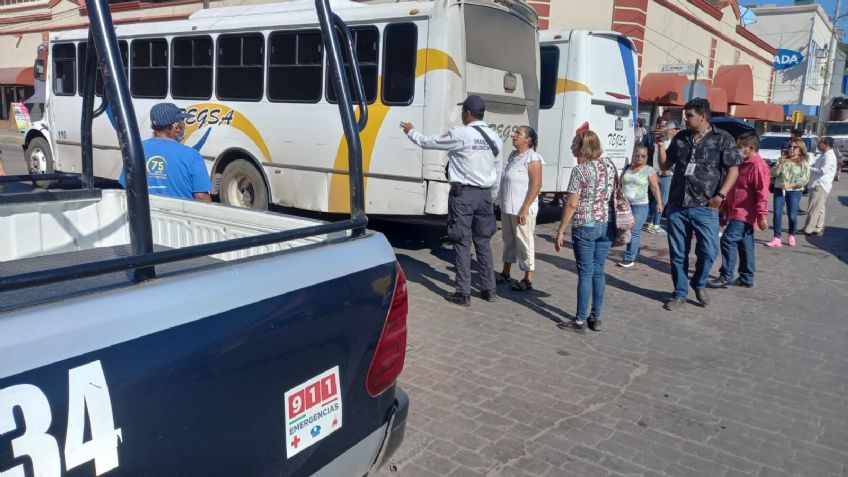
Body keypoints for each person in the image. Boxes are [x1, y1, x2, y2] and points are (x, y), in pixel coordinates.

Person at [401, 95, 503, 306]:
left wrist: (411, 132)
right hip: (485, 196)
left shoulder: (461, 134)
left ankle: (463, 292)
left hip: (463, 196)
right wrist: (492, 197)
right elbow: (498, 171)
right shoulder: (495, 138)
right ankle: (489, 289)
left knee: (462, 242)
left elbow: (430, 142)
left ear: (467, 113)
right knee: (483, 243)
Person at [654, 98, 741, 310]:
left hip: (705, 206)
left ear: (703, 116)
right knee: (678, 253)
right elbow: (665, 165)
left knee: (709, 250)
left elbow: (733, 169)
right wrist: (660, 146)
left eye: (689, 115)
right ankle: (680, 293)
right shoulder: (681, 137)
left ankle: (699, 282)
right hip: (678, 205)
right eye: (685, 115)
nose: (685, 119)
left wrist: (721, 195)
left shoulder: (722, 138)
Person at [554, 130, 615, 333]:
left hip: (585, 224)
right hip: (606, 223)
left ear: (582, 147)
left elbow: (572, 203)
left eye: (574, 143)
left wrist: (561, 230)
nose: (571, 147)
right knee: (599, 271)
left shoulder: (580, 170)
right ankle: (595, 317)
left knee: (585, 273)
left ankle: (580, 320)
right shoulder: (609, 165)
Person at [708, 131, 770, 288]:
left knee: (728, 240)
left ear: (750, 148)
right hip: (736, 209)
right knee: (745, 243)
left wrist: (761, 215)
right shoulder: (742, 163)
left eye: (740, 147)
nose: (737, 150)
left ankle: (726, 275)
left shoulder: (758, 166)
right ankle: (746, 277)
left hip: (745, 212)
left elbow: (762, 192)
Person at [119, 103, 212, 202]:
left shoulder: (135, 149)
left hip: (144, 210)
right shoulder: (192, 155)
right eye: (182, 123)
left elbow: (126, 186)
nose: (184, 128)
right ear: (176, 128)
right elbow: (201, 197)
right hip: (178, 211)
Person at [496, 126, 544, 291]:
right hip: (508, 207)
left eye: (518, 133)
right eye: (515, 132)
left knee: (524, 242)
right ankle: (506, 272)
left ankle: (527, 278)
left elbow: (536, 185)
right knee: (508, 240)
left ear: (528, 139)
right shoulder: (513, 155)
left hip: (523, 209)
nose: (514, 135)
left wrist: (525, 208)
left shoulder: (533, 158)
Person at [618, 146, 663, 267]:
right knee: (625, 230)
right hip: (625, 205)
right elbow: (620, 185)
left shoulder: (649, 170)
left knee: (634, 231)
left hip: (640, 206)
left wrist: (659, 203)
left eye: (643, 156)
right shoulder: (627, 168)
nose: (639, 157)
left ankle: (629, 258)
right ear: (633, 156)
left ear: (647, 158)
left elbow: (655, 188)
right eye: (637, 155)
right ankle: (634, 250)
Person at [766, 138, 810, 248]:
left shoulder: (803, 162)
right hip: (779, 189)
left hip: (795, 191)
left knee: (792, 215)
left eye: (795, 147)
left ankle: (791, 234)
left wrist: (790, 185)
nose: (791, 149)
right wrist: (780, 164)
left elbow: (805, 179)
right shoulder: (782, 159)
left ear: (800, 150)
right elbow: (773, 174)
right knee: (777, 213)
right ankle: (776, 238)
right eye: (790, 147)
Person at [644, 121, 678, 235]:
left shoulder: (663, 140)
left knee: (656, 199)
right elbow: (663, 158)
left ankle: (651, 223)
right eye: (676, 129)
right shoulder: (665, 140)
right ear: (671, 130)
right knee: (662, 200)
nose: (677, 131)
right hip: (664, 173)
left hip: (658, 172)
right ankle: (656, 225)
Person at [803, 137, 837, 236]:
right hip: (820, 184)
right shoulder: (824, 155)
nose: (818, 145)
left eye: (820, 143)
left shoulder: (829, 156)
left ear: (826, 145)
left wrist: (808, 168)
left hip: (820, 185)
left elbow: (822, 171)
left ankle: (808, 229)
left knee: (814, 208)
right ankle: (817, 227)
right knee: (820, 207)